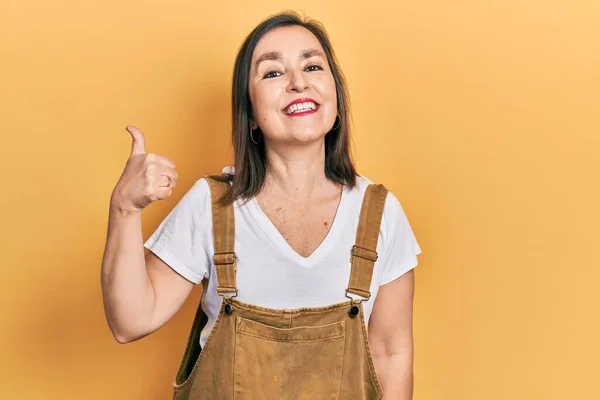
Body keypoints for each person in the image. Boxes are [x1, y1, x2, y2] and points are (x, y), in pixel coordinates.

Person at [101, 11, 422, 400]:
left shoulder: (381, 214)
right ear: (250, 114)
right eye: (273, 73)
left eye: (313, 65)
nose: (298, 82)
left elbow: (391, 354)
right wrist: (124, 208)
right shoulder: (212, 206)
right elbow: (129, 321)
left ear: (335, 98)